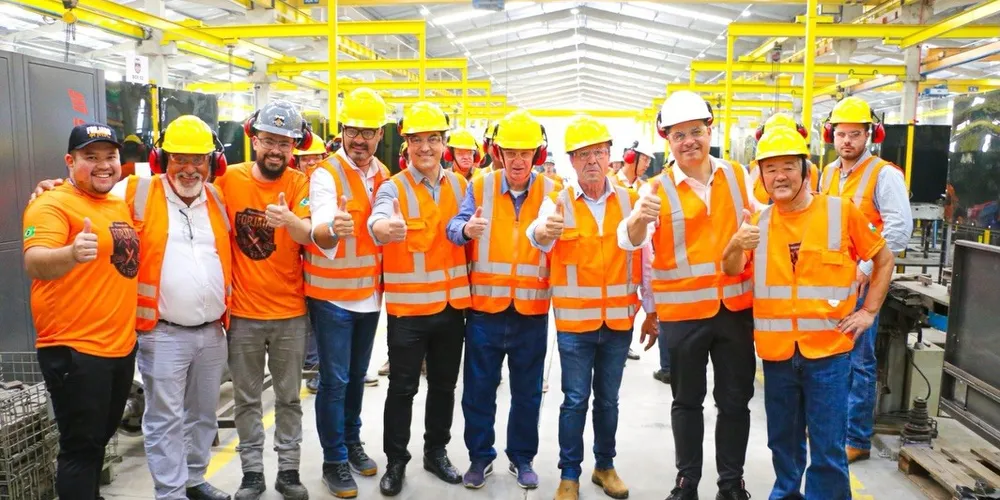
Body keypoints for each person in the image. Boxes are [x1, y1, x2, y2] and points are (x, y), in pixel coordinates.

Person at [721, 127, 895, 500]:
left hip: (828, 353)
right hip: (778, 355)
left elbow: (883, 258)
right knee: (783, 443)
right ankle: (785, 494)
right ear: (761, 176)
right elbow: (732, 268)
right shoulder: (758, 222)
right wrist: (735, 243)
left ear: (805, 170)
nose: (779, 176)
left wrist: (868, 312)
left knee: (829, 446)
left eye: (788, 166)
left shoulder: (840, 212)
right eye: (770, 169)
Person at [626, 90, 755, 500]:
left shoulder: (737, 175)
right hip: (683, 315)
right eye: (679, 135)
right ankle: (687, 482)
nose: (689, 142)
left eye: (695, 132)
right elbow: (630, 241)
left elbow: (764, 217)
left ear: (709, 130)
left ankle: (731, 484)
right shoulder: (655, 190)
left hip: (734, 308)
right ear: (668, 140)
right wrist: (636, 220)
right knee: (687, 402)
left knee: (735, 401)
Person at [527, 115, 655, 500]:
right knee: (575, 400)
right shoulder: (558, 202)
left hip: (618, 320)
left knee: (609, 400)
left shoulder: (633, 202)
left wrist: (654, 310)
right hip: (575, 325)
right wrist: (543, 232)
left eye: (598, 152)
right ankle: (569, 474)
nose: (592, 162)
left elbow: (645, 259)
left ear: (610, 155)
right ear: (571, 161)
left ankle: (605, 466)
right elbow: (538, 233)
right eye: (582, 155)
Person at [23, 123, 138, 500]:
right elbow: (36, 261)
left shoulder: (117, 201)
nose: (103, 165)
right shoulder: (51, 203)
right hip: (76, 349)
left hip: (119, 348)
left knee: (98, 442)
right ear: (70, 162)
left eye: (110, 157)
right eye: (91, 158)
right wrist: (71, 254)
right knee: (79, 448)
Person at [447, 110, 559, 491]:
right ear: (498, 153)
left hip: (530, 310)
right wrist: (465, 228)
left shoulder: (551, 190)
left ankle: (522, 458)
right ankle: (480, 458)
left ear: (537, 155)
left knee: (527, 393)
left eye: (525, 153)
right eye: (510, 151)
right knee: (478, 390)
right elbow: (453, 227)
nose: (517, 160)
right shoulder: (479, 186)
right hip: (486, 310)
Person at [126, 116, 233, 500]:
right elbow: (89, 193)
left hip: (211, 331)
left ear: (213, 164)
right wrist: (53, 186)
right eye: (178, 159)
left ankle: (194, 478)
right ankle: (170, 493)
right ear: (160, 159)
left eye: (198, 160)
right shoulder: (136, 192)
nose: (189, 169)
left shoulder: (217, 199)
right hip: (162, 332)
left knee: (204, 415)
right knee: (165, 418)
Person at [368, 101, 470, 497]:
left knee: (444, 386)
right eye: (417, 140)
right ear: (405, 145)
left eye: (433, 139)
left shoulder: (461, 186)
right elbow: (376, 221)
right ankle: (396, 460)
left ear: (444, 143)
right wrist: (383, 227)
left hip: (451, 309)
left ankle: (436, 451)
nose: (425, 147)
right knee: (403, 388)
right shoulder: (392, 187)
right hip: (409, 312)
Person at [217, 100, 314, 500]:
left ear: (295, 146)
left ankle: (288, 470)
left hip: (291, 312)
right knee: (246, 399)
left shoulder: (298, 184)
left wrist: (290, 221)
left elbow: (310, 234)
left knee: (289, 398)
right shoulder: (228, 180)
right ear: (253, 139)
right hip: (243, 314)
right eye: (269, 140)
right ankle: (252, 472)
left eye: (285, 143)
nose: (276, 150)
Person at [305, 88, 390, 498]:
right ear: (341, 132)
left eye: (368, 132)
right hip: (333, 297)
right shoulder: (325, 173)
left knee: (356, 377)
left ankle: (352, 441)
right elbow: (320, 222)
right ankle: (333, 458)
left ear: (379, 135)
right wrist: (329, 230)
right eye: (353, 131)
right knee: (334, 380)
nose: (360, 140)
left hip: (369, 297)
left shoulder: (384, 174)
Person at [818, 96, 912, 463]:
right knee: (827, 358)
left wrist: (866, 270)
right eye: (841, 134)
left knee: (859, 361)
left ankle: (856, 438)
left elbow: (898, 231)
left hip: (862, 284)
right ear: (832, 135)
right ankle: (832, 426)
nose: (847, 142)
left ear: (871, 135)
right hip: (828, 283)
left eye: (855, 134)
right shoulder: (827, 174)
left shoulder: (883, 174)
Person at [614, 139, 658, 364]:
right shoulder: (611, 185)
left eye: (650, 160)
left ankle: (625, 343)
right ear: (631, 157)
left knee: (633, 300)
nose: (647, 164)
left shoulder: (645, 188)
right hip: (616, 257)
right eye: (645, 159)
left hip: (641, 254)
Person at [292, 132, 328, 394]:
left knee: (318, 323)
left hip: (321, 267)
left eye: (317, 157)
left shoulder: (327, 183)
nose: (312, 162)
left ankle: (317, 369)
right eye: (306, 158)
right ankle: (312, 367)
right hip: (295, 266)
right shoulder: (294, 185)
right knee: (306, 325)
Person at [750, 113, 820, 205]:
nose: (780, 177)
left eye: (788, 168)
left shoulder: (815, 173)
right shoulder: (750, 172)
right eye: (771, 170)